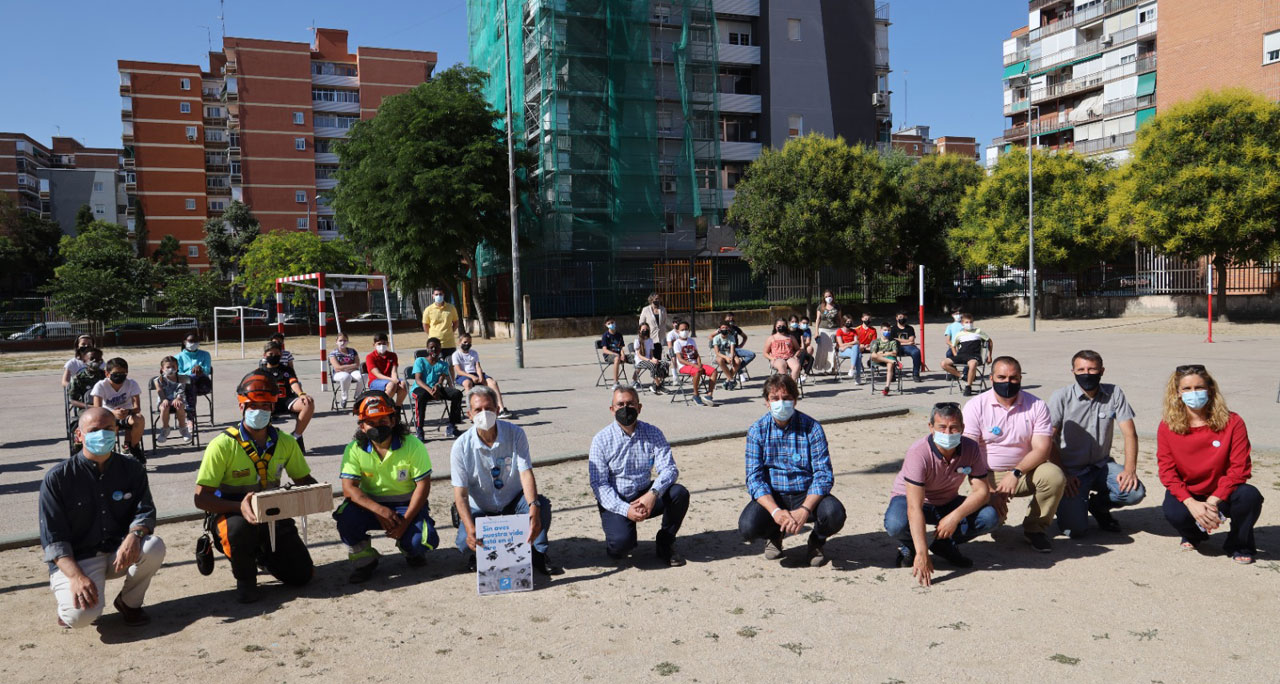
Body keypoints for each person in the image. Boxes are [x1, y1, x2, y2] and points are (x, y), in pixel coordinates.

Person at [194, 370, 317, 603]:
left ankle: (265, 556)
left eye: (265, 405)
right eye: (252, 406)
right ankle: (246, 578)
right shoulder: (222, 445)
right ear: (241, 407)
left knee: (302, 576)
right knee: (239, 532)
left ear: (273, 408)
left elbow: (304, 481)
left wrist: (324, 491)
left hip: (273, 515)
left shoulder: (286, 442)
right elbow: (201, 499)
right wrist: (239, 506)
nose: (259, 411)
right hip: (232, 515)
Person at [40, 407, 165, 628]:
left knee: (153, 546)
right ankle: (67, 606)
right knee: (80, 618)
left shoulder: (132, 468)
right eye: (94, 430)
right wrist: (77, 577)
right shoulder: (58, 478)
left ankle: (129, 603)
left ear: (116, 431)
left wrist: (134, 535)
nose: (102, 434)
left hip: (117, 552)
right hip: (78, 559)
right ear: (79, 436)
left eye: (108, 429)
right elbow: (54, 540)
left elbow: (144, 510)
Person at [451, 386, 563, 576]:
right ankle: (478, 554)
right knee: (464, 542)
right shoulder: (460, 446)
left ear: (497, 409)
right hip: (480, 506)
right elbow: (460, 494)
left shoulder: (515, 434)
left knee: (540, 507)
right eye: (478, 410)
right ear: (469, 414)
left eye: (489, 408)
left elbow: (525, 473)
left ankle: (538, 553)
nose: (484, 414)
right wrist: (470, 528)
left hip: (512, 500)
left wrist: (533, 507)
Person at [1157, 365, 1262, 564]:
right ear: (1177, 393)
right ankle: (1194, 534)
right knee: (1174, 513)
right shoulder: (1167, 426)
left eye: (1199, 387)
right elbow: (1167, 471)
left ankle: (1239, 543)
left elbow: (1240, 468)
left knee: (1250, 496)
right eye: (1187, 389)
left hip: (1223, 491)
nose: (1193, 393)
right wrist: (1192, 503)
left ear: (1210, 389)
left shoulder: (1233, 422)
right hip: (1190, 491)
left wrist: (1213, 501)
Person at [884, 403, 998, 585]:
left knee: (989, 517)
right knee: (896, 524)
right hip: (912, 499)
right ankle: (911, 545)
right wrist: (922, 554)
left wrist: (954, 517)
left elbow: (982, 491)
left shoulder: (971, 448)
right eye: (942, 427)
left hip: (947, 500)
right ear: (931, 427)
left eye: (953, 427)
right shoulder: (918, 452)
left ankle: (943, 543)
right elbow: (914, 507)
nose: (947, 433)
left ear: (962, 428)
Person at [738, 374, 846, 566]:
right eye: (775, 399)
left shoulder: (812, 428)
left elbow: (823, 474)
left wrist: (805, 509)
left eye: (786, 398)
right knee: (748, 526)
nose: (781, 403)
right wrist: (776, 512)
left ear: (795, 400)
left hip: (805, 492)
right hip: (775, 494)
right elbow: (754, 478)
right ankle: (774, 534)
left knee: (834, 513)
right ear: (767, 402)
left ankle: (817, 540)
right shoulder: (757, 430)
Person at [334, 390, 439, 583]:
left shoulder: (413, 445)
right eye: (371, 423)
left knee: (425, 540)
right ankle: (365, 560)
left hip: (406, 506)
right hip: (369, 506)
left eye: (382, 421)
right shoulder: (354, 449)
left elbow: (423, 486)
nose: (377, 427)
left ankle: (409, 549)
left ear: (393, 420)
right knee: (346, 519)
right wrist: (378, 510)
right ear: (362, 426)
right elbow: (349, 488)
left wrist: (404, 523)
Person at [962, 356, 1063, 552]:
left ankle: (1035, 528)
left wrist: (1015, 473)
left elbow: (1042, 449)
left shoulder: (1037, 405)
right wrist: (990, 492)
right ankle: (989, 515)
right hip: (986, 473)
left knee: (1054, 475)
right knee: (990, 519)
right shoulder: (975, 405)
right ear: (991, 379)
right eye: (1001, 377)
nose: (1007, 382)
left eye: (1013, 378)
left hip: (1023, 471)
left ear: (1020, 379)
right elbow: (969, 452)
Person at [1048, 350, 1145, 538]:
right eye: (1081, 369)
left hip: (1102, 465)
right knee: (1074, 530)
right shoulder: (1061, 396)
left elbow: (1129, 433)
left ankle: (1097, 506)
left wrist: (1129, 469)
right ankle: (1059, 499)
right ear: (1073, 371)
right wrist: (1063, 474)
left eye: (1092, 369)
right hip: (1071, 470)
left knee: (1134, 493)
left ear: (1102, 371)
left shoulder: (1114, 393)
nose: (1087, 374)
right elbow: (1048, 439)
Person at [588, 386, 689, 566]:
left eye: (630, 404)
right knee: (621, 545)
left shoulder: (653, 433)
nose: (625, 409)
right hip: (617, 497)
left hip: (645, 493)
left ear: (639, 408)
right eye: (620, 404)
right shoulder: (601, 440)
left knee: (679, 493)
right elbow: (599, 484)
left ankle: (665, 542)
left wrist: (653, 494)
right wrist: (625, 509)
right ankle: (617, 541)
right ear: (612, 409)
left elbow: (670, 469)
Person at [261, 341, 315, 451]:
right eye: (271, 354)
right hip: (269, 402)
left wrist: (301, 394)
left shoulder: (286, 369)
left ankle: (296, 435)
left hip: (287, 400)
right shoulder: (261, 371)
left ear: (281, 354)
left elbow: (293, 382)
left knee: (308, 402)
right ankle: (265, 440)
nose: (274, 356)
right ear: (265, 355)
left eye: (276, 353)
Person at [91, 357, 145, 463]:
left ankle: (133, 447)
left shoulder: (132, 384)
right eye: (116, 373)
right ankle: (108, 452)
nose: (119, 376)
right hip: (107, 415)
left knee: (139, 419)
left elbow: (137, 408)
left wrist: (127, 412)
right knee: (111, 426)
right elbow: (97, 410)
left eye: (123, 373)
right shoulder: (101, 385)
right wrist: (112, 413)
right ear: (107, 373)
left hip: (127, 414)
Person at [451, 332, 512, 418]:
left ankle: (501, 409)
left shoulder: (474, 353)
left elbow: (478, 366)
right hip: (463, 375)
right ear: (459, 342)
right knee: (468, 384)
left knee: (493, 383)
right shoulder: (456, 355)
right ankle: (472, 411)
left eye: (469, 342)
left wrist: (480, 376)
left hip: (476, 373)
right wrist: (472, 377)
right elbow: (459, 371)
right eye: (465, 342)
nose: (467, 344)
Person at [412, 337, 463, 439]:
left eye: (436, 348)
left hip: (435, 389)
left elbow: (441, 380)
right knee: (421, 396)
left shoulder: (443, 364)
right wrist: (430, 390)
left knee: (457, 393)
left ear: (440, 349)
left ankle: (451, 426)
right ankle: (419, 429)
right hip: (421, 388)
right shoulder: (420, 361)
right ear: (427, 349)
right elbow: (418, 380)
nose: (434, 350)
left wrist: (438, 386)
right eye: (431, 348)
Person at [942, 313, 992, 396]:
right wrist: (955, 354)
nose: (969, 324)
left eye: (971, 322)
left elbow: (989, 341)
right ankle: (962, 376)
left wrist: (989, 356)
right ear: (962, 323)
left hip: (974, 355)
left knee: (972, 364)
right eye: (967, 322)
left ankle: (968, 386)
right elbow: (953, 345)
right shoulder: (959, 334)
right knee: (944, 363)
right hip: (961, 355)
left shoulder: (978, 331)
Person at [673, 320, 717, 406]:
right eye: (682, 330)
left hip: (696, 364)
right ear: (678, 331)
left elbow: (697, 355)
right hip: (684, 366)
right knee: (697, 371)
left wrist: (699, 364)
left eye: (686, 329)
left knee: (714, 371)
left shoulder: (691, 340)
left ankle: (709, 395)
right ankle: (696, 395)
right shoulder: (677, 343)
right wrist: (695, 365)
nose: (684, 331)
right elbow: (680, 359)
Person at [152, 356, 192, 443]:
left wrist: (178, 398)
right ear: (162, 369)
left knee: (179, 405)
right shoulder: (158, 380)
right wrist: (164, 399)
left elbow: (181, 390)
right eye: (168, 367)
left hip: (178, 400)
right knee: (164, 407)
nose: (171, 369)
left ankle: (183, 428)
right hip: (164, 401)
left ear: (177, 367)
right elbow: (160, 391)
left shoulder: (182, 378)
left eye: (173, 366)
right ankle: (165, 429)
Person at [364, 333, 408, 407]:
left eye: (384, 343)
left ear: (387, 344)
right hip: (375, 381)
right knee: (392, 385)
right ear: (374, 345)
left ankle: (397, 408)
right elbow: (378, 374)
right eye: (379, 344)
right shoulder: (370, 357)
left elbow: (394, 371)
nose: (381, 346)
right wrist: (392, 380)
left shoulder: (392, 355)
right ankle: (383, 406)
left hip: (389, 380)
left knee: (403, 384)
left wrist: (395, 379)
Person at [177, 333, 213, 416]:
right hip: (185, 387)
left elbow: (207, 370)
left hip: (203, 385)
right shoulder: (178, 357)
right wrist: (191, 371)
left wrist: (201, 368)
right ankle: (191, 416)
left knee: (190, 383)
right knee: (190, 382)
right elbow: (179, 374)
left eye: (196, 341)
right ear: (184, 342)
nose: (193, 343)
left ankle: (190, 417)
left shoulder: (205, 354)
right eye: (191, 341)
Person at [421, 286, 459, 357]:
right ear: (433, 296)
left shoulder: (451, 308)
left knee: (450, 365)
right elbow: (425, 325)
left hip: (449, 343)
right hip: (434, 344)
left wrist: (451, 331)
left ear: (444, 295)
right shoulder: (428, 310)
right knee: (434, 364)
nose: (439, 296)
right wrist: (432, 334)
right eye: (436, 294)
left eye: (440, 294)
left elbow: (456, 322)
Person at [329, 333, 364, 407]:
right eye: (340, 340)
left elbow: (357, 364)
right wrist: (351, 366)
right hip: (339, 374)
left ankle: (358, 396)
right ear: (336, 342)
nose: (343, 342)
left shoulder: (353, 351)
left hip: (353, 372)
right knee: (346, 376)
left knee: (363, 376)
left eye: (345, 340)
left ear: (348, 341)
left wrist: (344, 367)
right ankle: (344, 398)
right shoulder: (333, 353)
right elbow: (337, 367)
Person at [633, 323, 668, 395]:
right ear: (639, 331)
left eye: (646, 329)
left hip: (649, 360)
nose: (645, 331)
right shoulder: (637, 340)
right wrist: (650, 360)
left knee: (664, 364)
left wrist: (654, 359)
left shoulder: (650, 340)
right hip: (640, 361)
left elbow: (651, 354)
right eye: (643, 329)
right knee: (653, 365)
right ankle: (659, 386)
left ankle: (656, 384)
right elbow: (639, 355)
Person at [867, 324, 901, 396]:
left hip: (888, 358)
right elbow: (873, 353)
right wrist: (888, 353)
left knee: (890, 365)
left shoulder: (893, 341)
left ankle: (887, 387)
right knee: (873, 356)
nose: (887, 332)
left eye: (888, 330)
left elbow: (894, 353)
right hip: (878, 359)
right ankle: (893, 362)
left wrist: (882, 353)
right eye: (885, 330)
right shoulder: (876, 341)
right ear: (881, 330)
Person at [763, 318, 801, 382]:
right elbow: (765, 353)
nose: (781, 327)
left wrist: (796, 356)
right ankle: (784, 385)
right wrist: (772, 358)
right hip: (777, 358)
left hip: (789, 357)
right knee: (782, 365)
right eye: (779, 326)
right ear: (775, 327)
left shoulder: (791, 337)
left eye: (783, 326)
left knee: (797, 366)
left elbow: (798, 349)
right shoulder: (771, 338)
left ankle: (792, 384)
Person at [68, 347, 105, 412]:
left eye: (98, 359)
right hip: (86, 408)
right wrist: (90, 406)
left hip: (105, 406)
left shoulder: (106, 376)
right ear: (84, 361)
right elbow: (72, 400)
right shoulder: (78, 378)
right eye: (92, 359)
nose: (95, 361)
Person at [709, 321, 742, 390]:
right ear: (720, 329)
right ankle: (731, 379)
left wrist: (731, 357)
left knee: (738, 361)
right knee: (720, 360)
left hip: (729, 353)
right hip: (721, 354)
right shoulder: (716, 338)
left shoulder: (731, 337)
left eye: (726, 327)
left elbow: (732, 349)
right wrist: (726, 358)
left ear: (729, 329)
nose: (724, 329)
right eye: (723, 327)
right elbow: (717, 352)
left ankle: (727, 380)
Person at [813, 290, 841, 374]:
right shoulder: (820, 307)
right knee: (824, 350)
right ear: (823, 298)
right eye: (826, 296)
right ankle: (825, 368)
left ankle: (833, 368)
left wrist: (841, 331)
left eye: (830, 296)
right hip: (823, 330)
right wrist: (816, 331)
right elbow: (818, 319)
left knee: (834, 349)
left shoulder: (837, 307)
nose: (828, 298)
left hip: (835, 329)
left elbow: (840, 319)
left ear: (832, 296)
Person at [891, 311, 922, 383]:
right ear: (896, 318)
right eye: (900, 317)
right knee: (890, 352)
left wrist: (898, 340)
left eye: (904, 317)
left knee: (916, 352)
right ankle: (892, 375)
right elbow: (892, 341)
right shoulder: (893, 329)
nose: (902, 319)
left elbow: (912, 340)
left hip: (908, 347)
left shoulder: (910, 328)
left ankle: (916, 374)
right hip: (896, 347)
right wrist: (907, 342)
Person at [600, 317, 628, 389]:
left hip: (619, 354)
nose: (611, 324)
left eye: (612, 322)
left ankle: (635, 381)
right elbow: (604, 350)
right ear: (606, 325)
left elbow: (621, 348)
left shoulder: (619, 335)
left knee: (634, 358)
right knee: (617, 358)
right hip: (609, 355)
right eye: (609, 323)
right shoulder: (605, 336)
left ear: (615, 322)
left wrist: (623, 355)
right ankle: (615, 382)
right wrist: (616, 354)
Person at [792, 316, 815, 380]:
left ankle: (804, 369)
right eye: (803, 323)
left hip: (803, 347)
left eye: (806, 323)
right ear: (799, 323)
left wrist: (802, 345)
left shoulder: (808, 330)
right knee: (802, 352)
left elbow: (808, 342)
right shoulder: (796, 330)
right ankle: (801, 366)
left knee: (810, 348)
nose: (805, 325)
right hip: (796, 348)